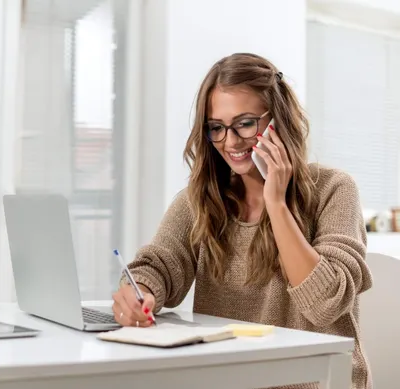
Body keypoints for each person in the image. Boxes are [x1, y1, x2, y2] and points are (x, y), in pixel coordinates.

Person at [111, 53, 373, 389]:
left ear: (278, 120)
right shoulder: (203, 199)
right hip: (230, 379)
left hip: (313, 381)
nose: (230, 142)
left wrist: (275, 203)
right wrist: (139, 293)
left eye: (245, 123)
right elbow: (158, 265)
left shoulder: (334, 189)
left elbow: (325, 304)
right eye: (216, 128)